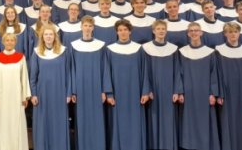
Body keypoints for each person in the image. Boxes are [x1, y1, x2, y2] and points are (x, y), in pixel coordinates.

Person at [104, 19, 151, 150]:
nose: (123, 32)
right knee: (118, 123)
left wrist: (145, 92)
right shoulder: (110, 49)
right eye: (120, 30)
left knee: (135, 122)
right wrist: (109, 93)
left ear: (130, 31)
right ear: (116, 32)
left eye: (125, 29)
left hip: (135, 92)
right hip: (117, 94)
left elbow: (144, 71)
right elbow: (106, 72)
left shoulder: (138, 49)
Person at [177, 22, 220, 150]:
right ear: (188, 34)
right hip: (188, 93)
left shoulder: (210, 52)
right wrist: (180, 91)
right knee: (188, 121)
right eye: (191, 31)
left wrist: (213, 93)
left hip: (205, 92)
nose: (194, 33)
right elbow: (179, 73)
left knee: (205, 121)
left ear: (201, 33)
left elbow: (214, 73)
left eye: (196, 30)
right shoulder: (182, 52)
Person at [29, 25, 71, 150]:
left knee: (58, 122)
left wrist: (68, 93)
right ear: (42, 37)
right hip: (42, 94)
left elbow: (69, 74)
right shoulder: (37, 52)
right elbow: (33, 77)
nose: (48, 36)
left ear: (55, 36)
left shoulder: (63, 51)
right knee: (43, 124)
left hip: (60, 93)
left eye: (51, 34)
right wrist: (34, 94)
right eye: (46, 34)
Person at [216, 22, 242, 150]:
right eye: (230, 32)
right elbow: (217, 74)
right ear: (225, 34)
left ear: (239, 33)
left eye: (235, 32)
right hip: (226, 93)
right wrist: (219, 93)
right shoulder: (219, 51)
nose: (233, 34)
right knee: (227, 122)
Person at [141, 19, 181, 150]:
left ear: (166, 31)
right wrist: (147, 89)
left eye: (163, 29)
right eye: (158, 29)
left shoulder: (173, 49)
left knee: (169, 119)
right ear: (153, 31)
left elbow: (177, 71)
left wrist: (176, 90)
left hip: (169, 89)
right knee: (153, 118)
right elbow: (144, 70)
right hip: (153, 90)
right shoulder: (146, 48)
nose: (161, 31)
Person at [70, 17, 107, 150]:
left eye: (89, 26)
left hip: (97, 87)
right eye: (85, 25)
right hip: (80, 89)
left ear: (93, 28)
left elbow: (105, 69)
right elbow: (72, 69)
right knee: (82, 119)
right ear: (81, 27)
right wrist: (73, 90)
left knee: (97, 119)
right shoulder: (74, 45)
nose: (87, 28)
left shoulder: (101, 45)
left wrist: (104, 90)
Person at [0, 33, 31, 150]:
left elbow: (24, 77)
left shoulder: (21, 57)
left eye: (12, 40)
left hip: (17, 97)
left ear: (15, 42)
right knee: (2, 125)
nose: (9, 42)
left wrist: (25, 96)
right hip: (1, 98)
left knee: (16, 124)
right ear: (3, 42)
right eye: (7, 40)